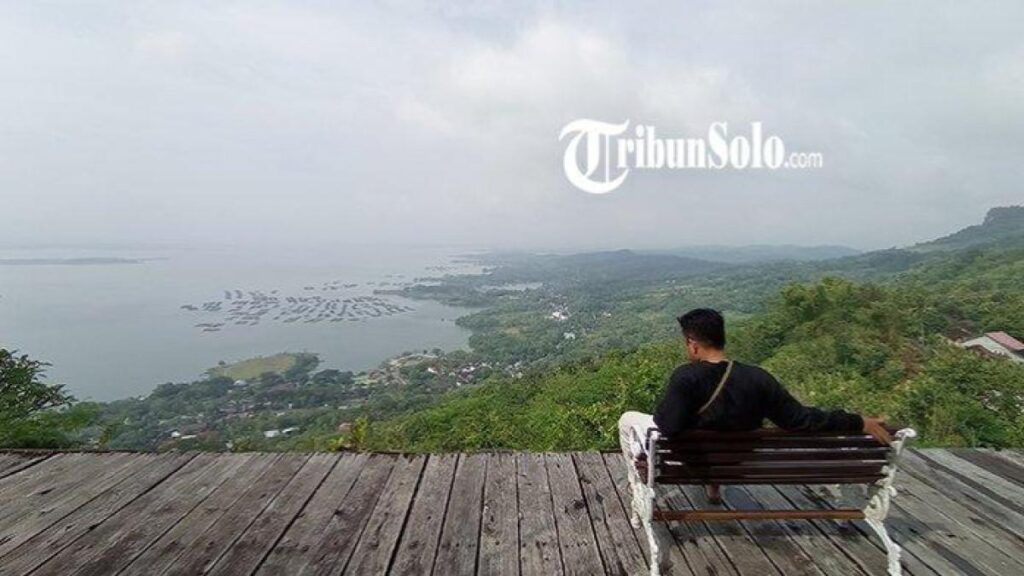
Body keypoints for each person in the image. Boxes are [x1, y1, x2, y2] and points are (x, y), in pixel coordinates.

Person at [618, 308, 890, 503]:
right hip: (737, 461)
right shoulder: (758, 378)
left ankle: (635, 485)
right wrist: (858, 421)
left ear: (692, 343)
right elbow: (800, 419)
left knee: (628, 418)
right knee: (722, 427)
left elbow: (668, 426)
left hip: (693, 460)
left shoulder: (686, 377)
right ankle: (714, 487)